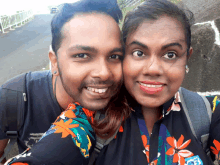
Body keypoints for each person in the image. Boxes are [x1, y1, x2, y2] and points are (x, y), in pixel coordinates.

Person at [5, 0, 220, 165]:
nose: (153, 69)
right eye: (138, 52)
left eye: (171, 54)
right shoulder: (88, 118)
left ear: (187, 58)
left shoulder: (207, 112)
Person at [0, 0, 130, 164]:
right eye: (82, 55)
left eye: (114, 56)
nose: (104, 73)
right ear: (54, 61)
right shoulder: (12, 98)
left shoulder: (129, 102)